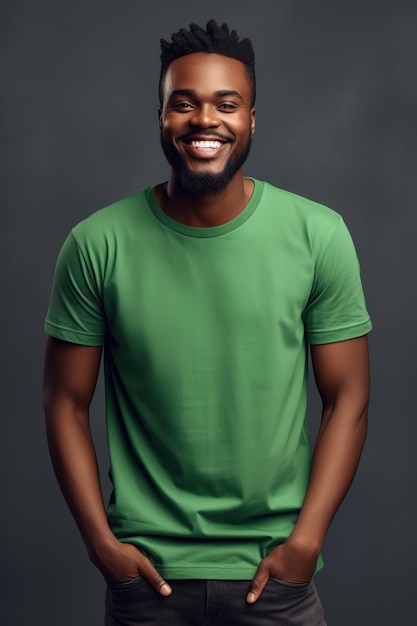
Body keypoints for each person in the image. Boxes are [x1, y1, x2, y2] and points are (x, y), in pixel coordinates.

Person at [43, 19, 372, 626]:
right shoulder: (96, 244)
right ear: (161, 116)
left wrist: (307, 541)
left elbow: (348, 396)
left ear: (252, 118)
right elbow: (64, 400)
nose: (205, 120)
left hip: (276, 579)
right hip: (146, 582)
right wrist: (100, 544)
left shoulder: (318, 235)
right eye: (183, 103)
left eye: (227, 103)